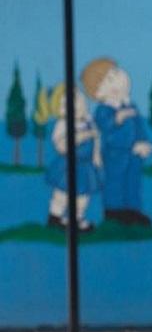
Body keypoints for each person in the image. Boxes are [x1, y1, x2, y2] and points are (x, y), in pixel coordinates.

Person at [81, 58, 152, 226]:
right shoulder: (104, 109)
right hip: (114, 154)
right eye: (110, 78)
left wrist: (142, 142)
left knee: (132, 181)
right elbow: (104, 127)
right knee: (114, 182)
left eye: (116, 73)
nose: (119, 77)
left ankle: (133, 210)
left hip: (133, 154)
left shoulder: (130, 105)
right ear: (98, 92)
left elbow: (138, 127)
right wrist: (116, 119)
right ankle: (114, 211)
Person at [45, 85, 103, 232]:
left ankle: (77, 218)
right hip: (68, 165)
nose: (72, 107)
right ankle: (55, 217)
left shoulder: (89, 121)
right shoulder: (62, 124)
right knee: (62, 193)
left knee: (83, 195)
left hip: (85, 165)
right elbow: (61, 145)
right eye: (65, 105)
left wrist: (96, 156)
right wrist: (82, 136)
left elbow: (96, 139)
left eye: (77, 102)